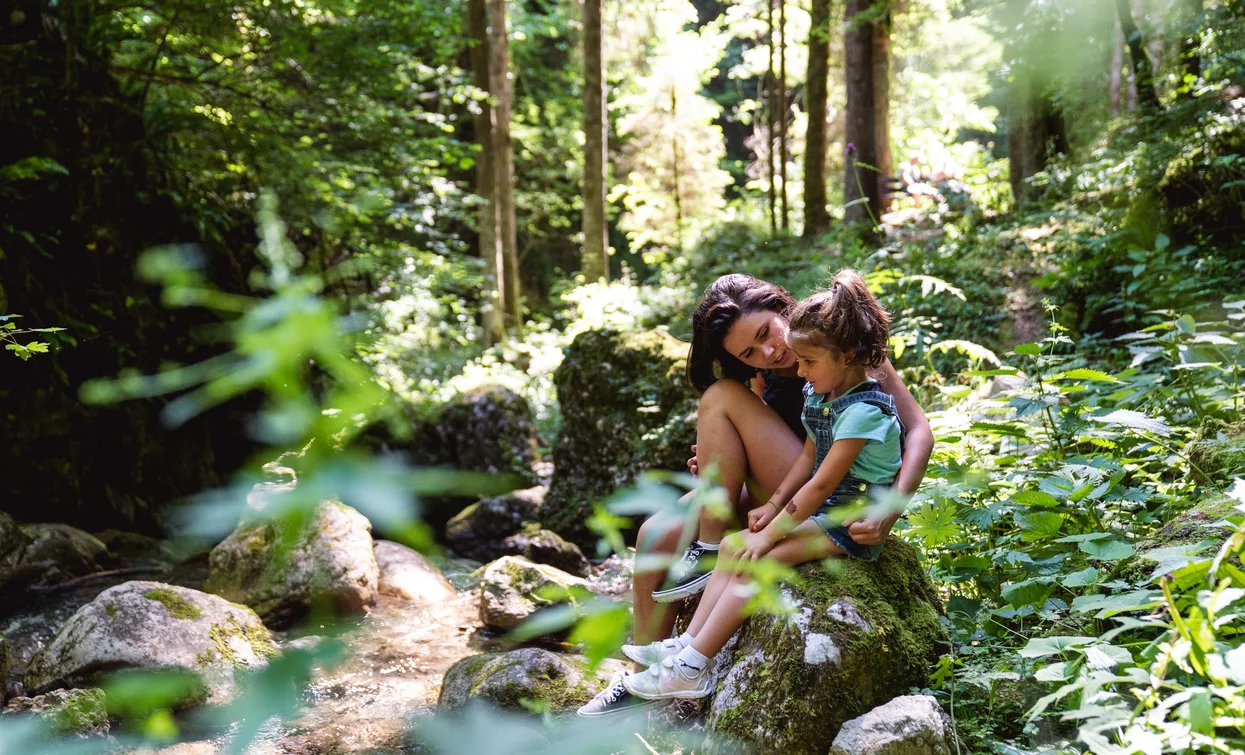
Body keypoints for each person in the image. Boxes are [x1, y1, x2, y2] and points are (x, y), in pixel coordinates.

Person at [576, 272, 932, 716]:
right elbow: (778, 440)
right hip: (787, 482)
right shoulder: (767, 375)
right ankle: (647, 676)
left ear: (782, 306)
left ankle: (706, 560)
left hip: (836, 487)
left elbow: (919, 430)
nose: (770, 352)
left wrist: (891, 509)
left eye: (767, 332)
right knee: (654, 534)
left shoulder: (843, 350)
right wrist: (717, 459)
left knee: (720, 397)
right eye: (750, 352)